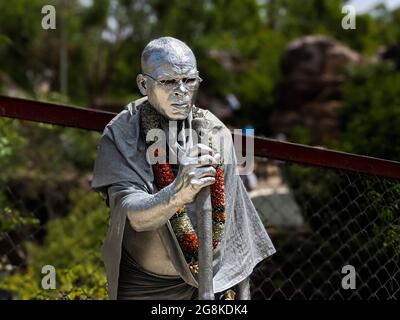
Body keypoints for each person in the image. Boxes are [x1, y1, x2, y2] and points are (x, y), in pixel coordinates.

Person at [91, 36, 275, 300]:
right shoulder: (122, 133)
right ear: (144, 84)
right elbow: (133, 215)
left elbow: (235, 226)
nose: (181, 91)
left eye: (189, 80)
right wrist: (177, 192)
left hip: (216, 282)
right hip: (147, 287)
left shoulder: (214, 130)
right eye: (167, 81)